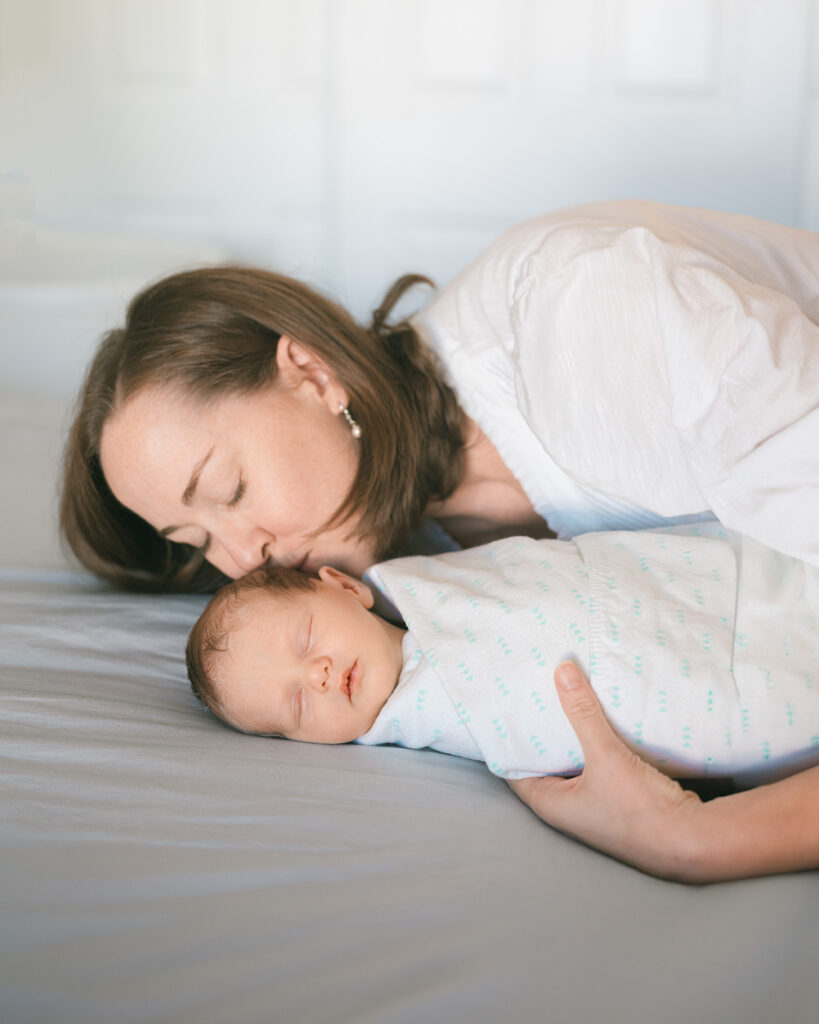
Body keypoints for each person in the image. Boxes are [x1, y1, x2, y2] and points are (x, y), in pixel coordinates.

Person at [60, 200, 819, 880]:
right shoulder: (407, 583)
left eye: (228, 491)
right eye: (194, 542)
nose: (237, 561)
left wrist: (704, 838)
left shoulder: (587, 311)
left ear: (313, 373)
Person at [185, 529, 818, 809]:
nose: (319, 675)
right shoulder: (421, 721)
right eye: (297, 705)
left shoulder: (436, 582)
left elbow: (542, 567)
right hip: (696, 693)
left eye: (306, 639)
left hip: (688, 586)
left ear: (345, 588)